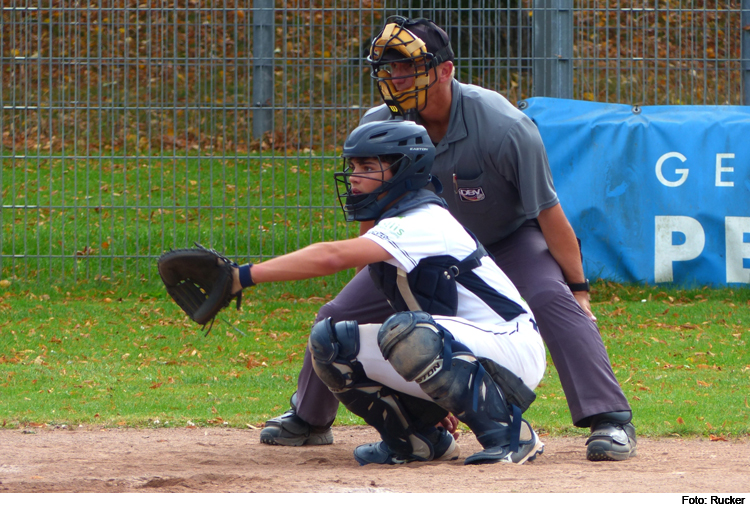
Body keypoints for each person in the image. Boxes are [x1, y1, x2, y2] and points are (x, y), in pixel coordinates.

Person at [261, 16, 636, 462]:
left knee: (551, 297)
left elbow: (549, 214)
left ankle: (610, 419)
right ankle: (309, 418)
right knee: (338, 313)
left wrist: (579, 288)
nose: (396, 79)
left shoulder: (503, 125)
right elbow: (374, 220)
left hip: (506, 240)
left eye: (408, 68)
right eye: (389, 69)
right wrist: (380, 282)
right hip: (422, 247)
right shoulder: (380, 124)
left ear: (445, 70)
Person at [234, 120, 546, 465]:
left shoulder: (422, 220)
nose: (354, 176)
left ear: (404, 171)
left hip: (511, 347)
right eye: (353, 166)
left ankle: (512, 435)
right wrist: (428, 394)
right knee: (331, 344)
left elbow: (332, 256)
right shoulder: (397, 221)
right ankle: (417, 440)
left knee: (408, 332)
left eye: (368, 167)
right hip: (468, 346)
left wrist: (244, 276)